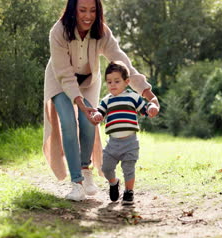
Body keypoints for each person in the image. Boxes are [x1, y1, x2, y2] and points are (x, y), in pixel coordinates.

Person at [43, 0, 159, 201]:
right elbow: (64, 74)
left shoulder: (102, 32)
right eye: (82, 10)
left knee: (89, 123)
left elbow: (123, 64)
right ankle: (76, 183)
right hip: (60, 80)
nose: (88, 16)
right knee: (69, 123)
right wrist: (79, 103)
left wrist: (149, 94)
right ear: (73, 10)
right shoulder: (58, 31)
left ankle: (85, 169)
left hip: (89, 80)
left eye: (92, 10)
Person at [92, 61, 158, 205]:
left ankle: (129, 192)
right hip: (112, 144)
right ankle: (114, 182)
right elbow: (99, 113)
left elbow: (146, 109)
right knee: (106, 168)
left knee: (129, 168)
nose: (112, 85)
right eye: (109, 82)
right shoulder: (106, 100)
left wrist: (152, 108)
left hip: (130, 142)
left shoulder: (133, 97)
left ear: (126, 82)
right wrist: (97, 116)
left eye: (117, 81)